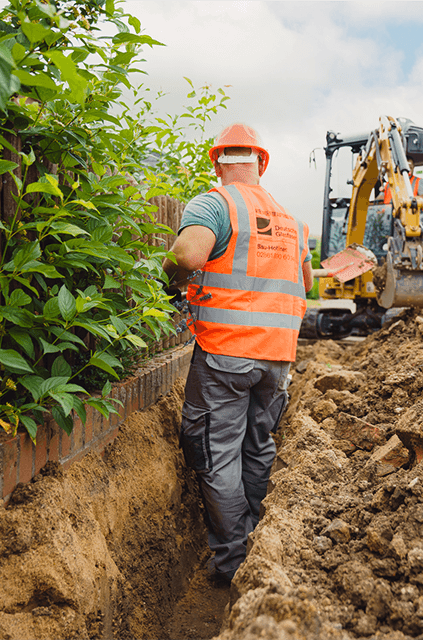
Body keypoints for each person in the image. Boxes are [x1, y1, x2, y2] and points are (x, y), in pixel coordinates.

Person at [162, 123, 314, 584]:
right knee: (257, 445)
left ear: (216, 163)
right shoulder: (291, 220)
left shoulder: (216, 203)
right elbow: (305, 285)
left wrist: (165, 277)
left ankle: (234, 561)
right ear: (261, 164)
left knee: (216, 455)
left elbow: (188, 255)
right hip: (278, 360)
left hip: (226, 354)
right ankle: (258, 538)